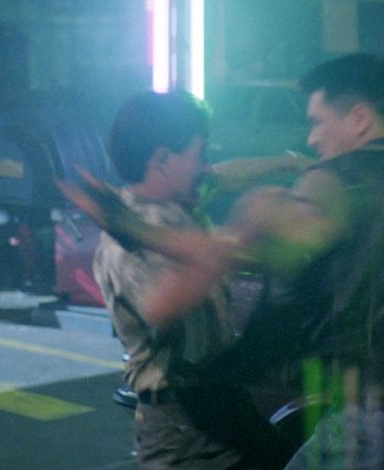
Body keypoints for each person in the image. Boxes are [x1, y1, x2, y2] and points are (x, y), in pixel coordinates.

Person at [61, 55, 384, 469]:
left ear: (359, 117)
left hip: (371, 425)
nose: (313, 138)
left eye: (319, 122)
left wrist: (134, 226)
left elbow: (239, 256)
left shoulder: (335, 186)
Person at [88, 90, 304, 469]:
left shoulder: (179, 201)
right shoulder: (132, 239)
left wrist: (291, 163)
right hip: (183, 428)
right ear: (162, 160)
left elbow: (224, 175)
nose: (206, 166)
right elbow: (163, 304)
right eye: (200, 154)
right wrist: (243, 233)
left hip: (223, 405)